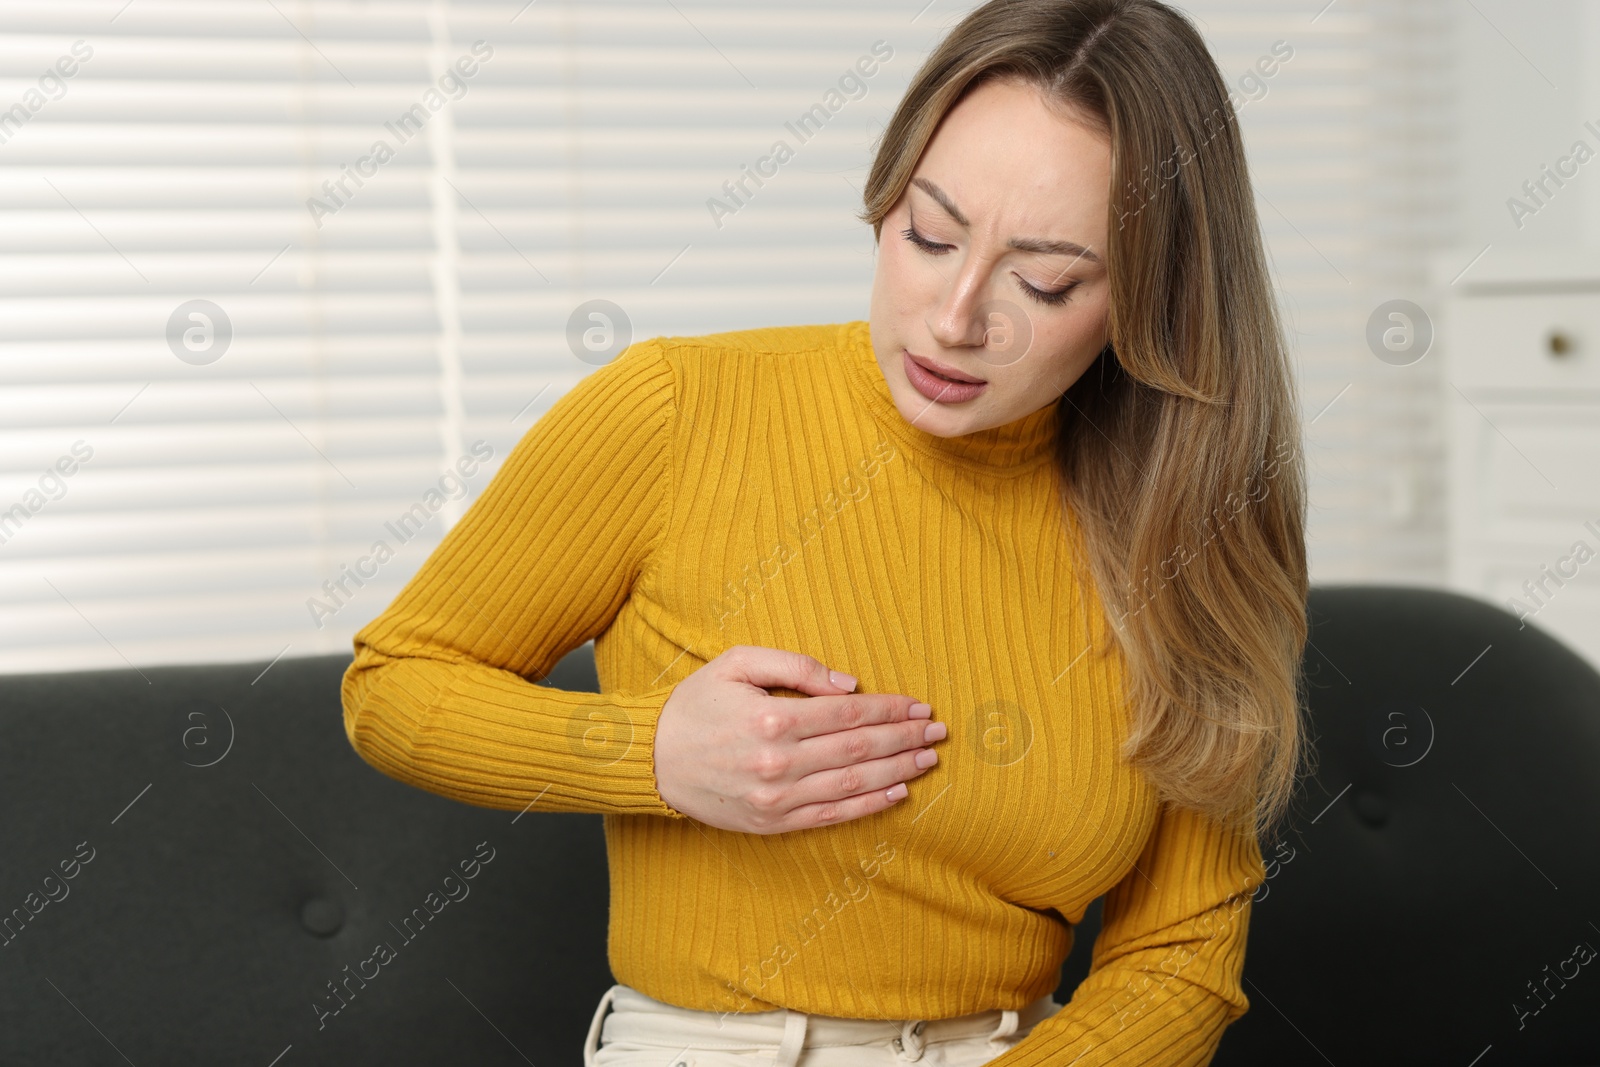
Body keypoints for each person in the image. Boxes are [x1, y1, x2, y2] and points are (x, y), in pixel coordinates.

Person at [339, 0, 1310, 1062]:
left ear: (1147, 300)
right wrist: (652, 749)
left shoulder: (1189, 528)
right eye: (928, 234)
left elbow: (1181, 949)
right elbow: (395, 683)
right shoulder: (678, 411)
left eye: (1044, 281)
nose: (954, 316)